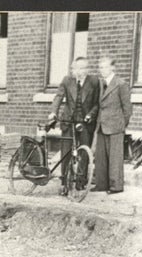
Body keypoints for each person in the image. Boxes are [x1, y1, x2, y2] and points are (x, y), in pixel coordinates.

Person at [48, 57, 99, 195]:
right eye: (78, 68)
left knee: (84, 151)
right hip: (68, 121)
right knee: (66, 152)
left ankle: (80, 181)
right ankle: (64, 183)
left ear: (87, 69)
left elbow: (97, 103)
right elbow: (58, 97)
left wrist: (90, 115)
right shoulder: (67, 80)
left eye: (84, 68)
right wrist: (53, 112)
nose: (81, 71)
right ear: (73, 69)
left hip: (85, 122)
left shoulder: (94, 82)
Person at [93, 57, 132, 194]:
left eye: (104, 67)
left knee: (115, 158)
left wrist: (121, 124)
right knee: (101, 158)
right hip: (102, 125)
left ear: (112, 68)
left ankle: (116, 186)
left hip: (115, 126)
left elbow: (127, 108)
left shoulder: (120, 84)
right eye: (100, 67)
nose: (101, 70)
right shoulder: (100, 84)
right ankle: (101, 184)